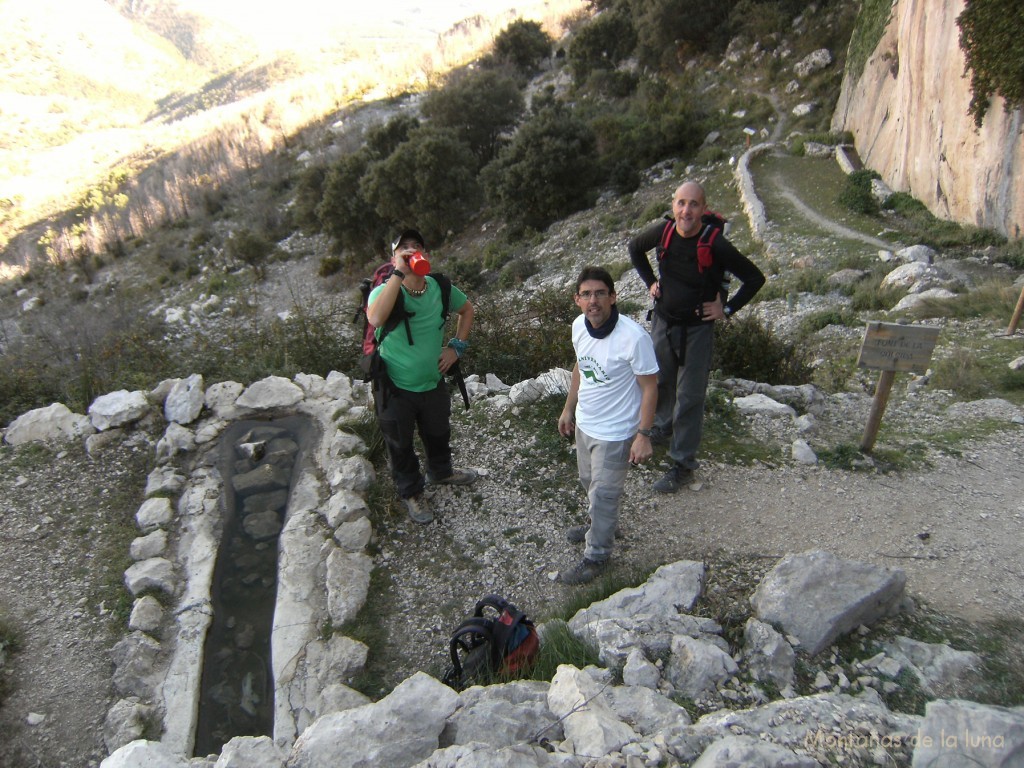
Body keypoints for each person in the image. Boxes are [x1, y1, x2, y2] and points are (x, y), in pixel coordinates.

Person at [628, 181, 765, 493]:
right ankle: (662, 428)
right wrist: (650, 281)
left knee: (690, 396)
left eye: (693, 205)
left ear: (703, 209)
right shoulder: (663, 231)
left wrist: (726, 308)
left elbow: (755, 278)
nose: (686, 210)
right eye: (681, 203)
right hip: (663, 321)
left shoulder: (715, 243)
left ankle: (683, 464)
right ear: (673, 205)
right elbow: (635, 248)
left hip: (697, 329)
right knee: (660, 381)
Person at [366, 228, 477, 523]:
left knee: (438, 432)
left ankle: (441, 472)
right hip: (394, 386)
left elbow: (467, 310)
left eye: (417, 246)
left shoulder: (439, 287)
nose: (412, 251)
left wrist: (456, 348)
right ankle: (412, 492)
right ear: (393, 257)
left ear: (426, 254)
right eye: (404, 248)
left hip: (432, 381)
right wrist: (398, 274)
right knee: (400, 443)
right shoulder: (384, 290)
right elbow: (376, 318)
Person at [556, 266, 658, 585]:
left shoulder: (633, 337)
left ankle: (597, 556)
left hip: (616, 432)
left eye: (600, 293)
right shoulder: (578, 327)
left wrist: (643, 435)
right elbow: (580, 367)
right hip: (587, 424)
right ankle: (603, 523)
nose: (593, 300)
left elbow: (651, 387)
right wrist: (568, 408)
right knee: (589, 482)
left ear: (613, 297)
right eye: (586, 294)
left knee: (603, 494)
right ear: (577, 300)